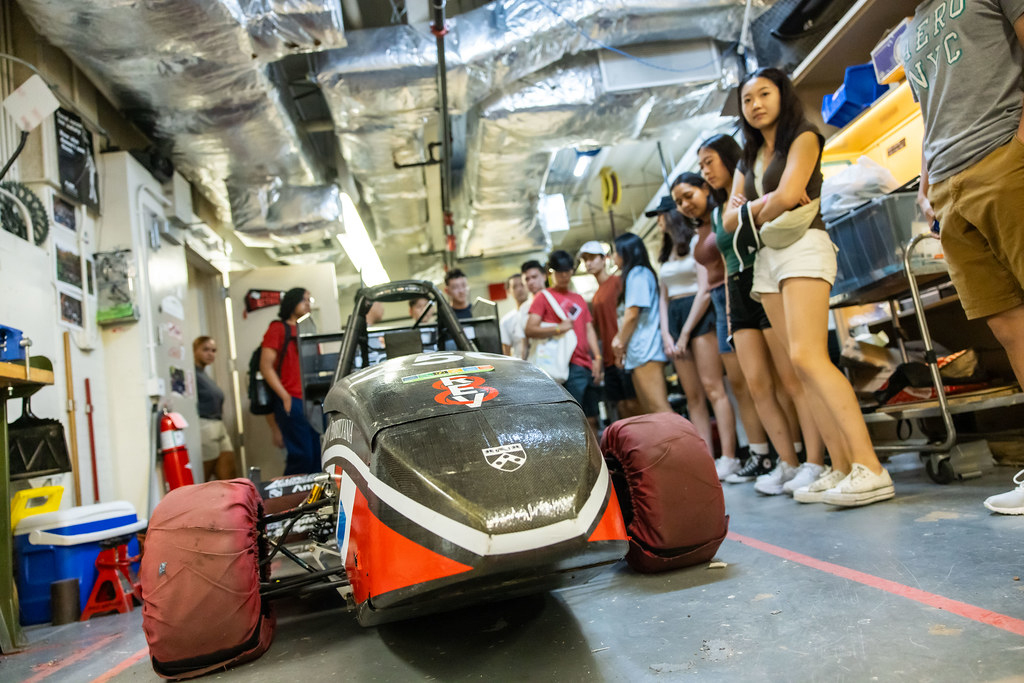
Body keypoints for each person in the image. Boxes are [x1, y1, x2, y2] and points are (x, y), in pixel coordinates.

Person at [722, 67, 893, 506]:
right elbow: (728, 219)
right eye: (747, 99)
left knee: (807, 356)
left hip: (804, 244)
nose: (756, 104)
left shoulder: (805, 137)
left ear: (782, 96)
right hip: (767, 258)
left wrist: (759, 204)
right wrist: (771, 200)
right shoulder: (749, 155)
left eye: (764, 94)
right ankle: (839, 467)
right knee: (798, 368)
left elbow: (790, 193)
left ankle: (869, 466)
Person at [907, 3, 1024, 510]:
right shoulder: (910, 29)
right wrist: (928, 176)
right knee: (1008, 326)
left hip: (1004, 154)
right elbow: (932, 105)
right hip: (948, 184)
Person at [700, 133, 825, 496]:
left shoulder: (755, 191)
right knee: (757, 386)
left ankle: (813, 463)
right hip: (737, 291)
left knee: (792, 379)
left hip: (768, 278)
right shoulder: (719, 212)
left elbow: (782, 204)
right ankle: (787, 463)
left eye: (710, 162)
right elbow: (726, 256)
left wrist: (753, 205)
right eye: (701, 166)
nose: (705, 171)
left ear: (730, 160)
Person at [671, 173, 769, 481]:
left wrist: (686, 332)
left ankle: (785, 453)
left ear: (704, 188)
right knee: (742, 385)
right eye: (678, 202)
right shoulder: (702, 225)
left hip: (735, 293)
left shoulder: (721, 214)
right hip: (720, 301)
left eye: (688, 196)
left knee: (761, 381)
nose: (684, 205)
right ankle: (760, 452)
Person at [525, 250, 603, 427]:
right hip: (566, 365)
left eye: (568, 271)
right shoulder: (543, 298)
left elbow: (589, 328)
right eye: (560, 273)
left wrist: (597, 358)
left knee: (593, 418)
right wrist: (558, 328)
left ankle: (597, 455)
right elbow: (530, 328)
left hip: (586, 364)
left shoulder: (579, 298)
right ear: (551, 273)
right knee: (575, 419)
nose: (565, 276)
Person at [260, 287, 321, 475]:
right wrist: (285, 397)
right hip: (291, 399)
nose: (308, 303)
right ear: (292, 301)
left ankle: (314, 501)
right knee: (302, 457)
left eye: (310, 299)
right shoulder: (278, 328)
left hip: (311, 401)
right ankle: (291, 501)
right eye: (304, 299)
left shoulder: (310, 330)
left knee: (317, 458)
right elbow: (265, 366)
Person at [579, 240, 641, 420]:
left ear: (604, 259)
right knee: (622, 406)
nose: (588, 263)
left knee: (634, 403)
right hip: (608, 359)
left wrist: (624, 344)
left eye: (592, 258)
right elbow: (597, 331)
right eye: (585, 259)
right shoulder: (597, 295)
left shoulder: (617, 282)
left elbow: (630, 314)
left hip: (625, 353)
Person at [611, 233, 671, 414]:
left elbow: (632, 314)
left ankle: (684, 442)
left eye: (615, 252)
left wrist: (619, 342)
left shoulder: (637, 274)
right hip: (640, 351)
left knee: (659, 408)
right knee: (651, 411)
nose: (613, 257)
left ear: (625, 252)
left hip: (647, 349)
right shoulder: (636, 274)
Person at [193, 336, 236, 481]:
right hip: (205, 426)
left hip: (218, 425)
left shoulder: (204, 374)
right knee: (203, 475)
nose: (210, 354)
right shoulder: (192, 374)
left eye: (213, 350)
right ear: (194, 350)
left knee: (229, 475)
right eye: (205, 349)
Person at [517, 260, 548, 360]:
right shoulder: (524, 308)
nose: (531, 282)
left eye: (534, 277)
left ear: (544, 277)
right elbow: (524, 343)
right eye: (527, 279)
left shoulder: (555, 300)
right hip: (537, 359)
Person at [499, 272, 528, 356]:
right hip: (520, 366)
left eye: (522, 285)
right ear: (508, 291)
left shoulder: (538, 313)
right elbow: (506, 351)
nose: (519, 289)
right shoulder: (506, 321)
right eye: (515, 287)